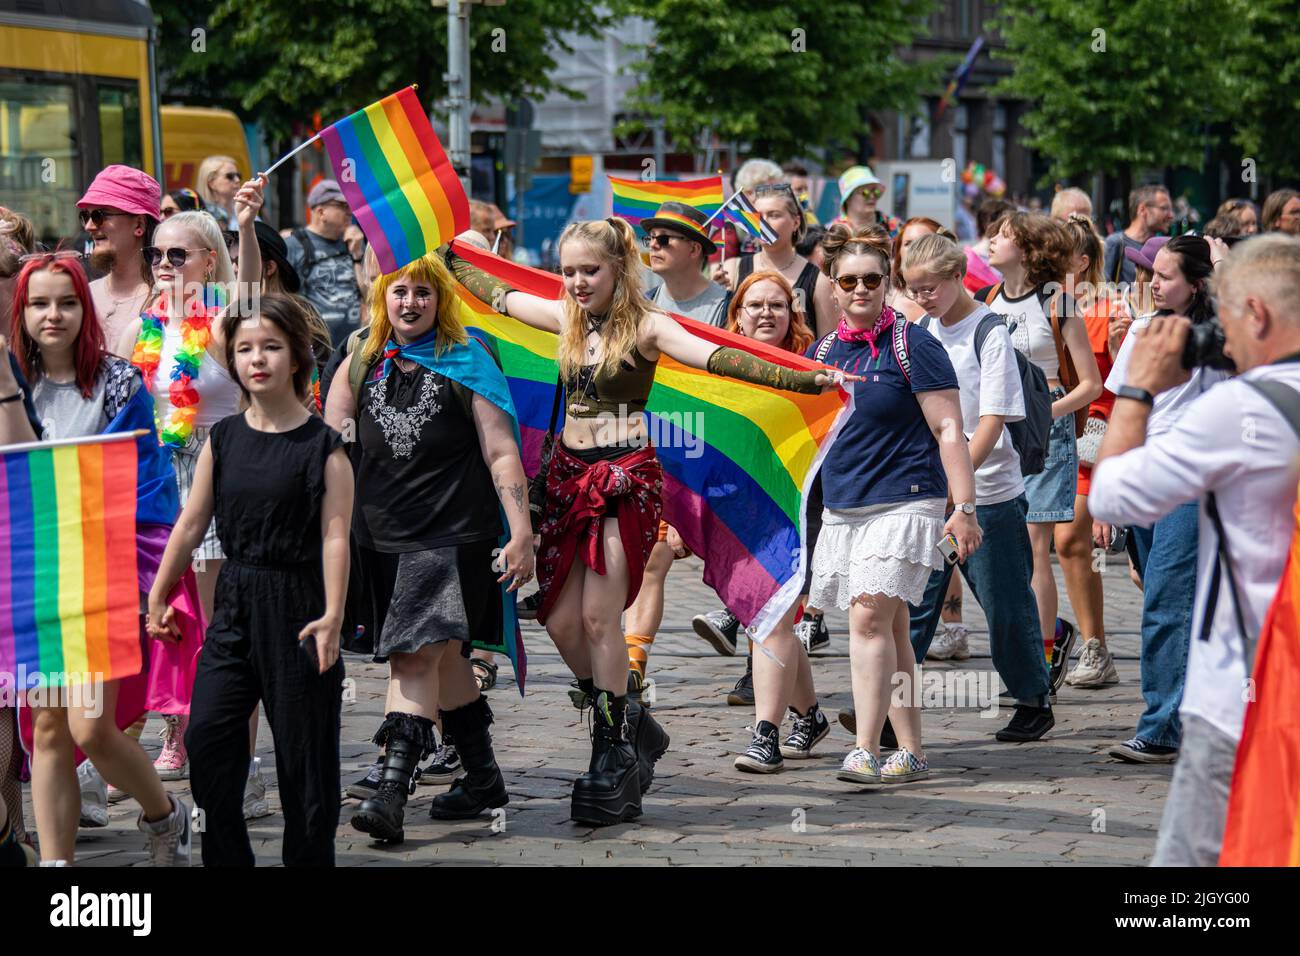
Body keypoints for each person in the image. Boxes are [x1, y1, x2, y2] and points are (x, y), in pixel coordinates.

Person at [445, 216, 852, 824]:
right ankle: (634, 720)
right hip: (564, 482)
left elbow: (718, 359)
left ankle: (610, 752)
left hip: (622, 480)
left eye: (591, 270)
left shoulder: (649, 327)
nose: (578, 282)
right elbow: (497, 294)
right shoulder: (567, 318)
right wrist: (447, 257)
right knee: (558, 621)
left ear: (618, 270)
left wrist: (806, 377)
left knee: (597, 616)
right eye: (569, 271)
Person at [1089, 234, 1300, 864]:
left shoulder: (1243, 408)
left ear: (1256, 314)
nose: (1221, 338)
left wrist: (1138, 390)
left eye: (1228, 320)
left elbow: (1113, 497)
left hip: (1243, 688)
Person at [324, 252, 532, 844]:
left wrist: (520, 531)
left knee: (413, 657)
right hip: (378, 538)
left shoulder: (469, 359)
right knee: (442, 661)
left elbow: (501, 452)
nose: (410, 303)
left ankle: (392, 790)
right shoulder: (360, 357)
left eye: (422, 293)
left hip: (452, 536)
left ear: (441, 300)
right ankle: (484, 778)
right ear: (382, 297)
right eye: (400, 292)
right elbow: (332, 445)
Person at [147, 294, 352, 866]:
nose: (256, 358)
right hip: (235, 602)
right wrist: (159, 592)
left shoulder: (325, 448)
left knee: (304, 760)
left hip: (301, 608)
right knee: (207, 738)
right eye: (243, 349)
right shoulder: (225, 438)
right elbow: (191, 523)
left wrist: (333, 614)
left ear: (295, 357)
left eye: (270, 347)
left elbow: (336, 537)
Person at [5, 252, 192, 865]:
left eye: (65, 301)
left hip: (101, 570)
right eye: (39, 303)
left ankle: (165, 819)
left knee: (91, 727)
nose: (52, 315)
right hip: (33, 576)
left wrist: (148, 585)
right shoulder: (11, 382)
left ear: (83, 309)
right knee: (50, 731)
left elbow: (150, 491)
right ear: (21, 311)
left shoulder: (118, 382)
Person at [803, 225, 979, 786]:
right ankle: (912, 750)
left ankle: (863, 748)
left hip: (906, 500)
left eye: (872, 279)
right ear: (832, 286)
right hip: (844, 504)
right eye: (849, 280)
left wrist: (965, 507)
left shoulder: (912, 344)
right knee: (896, 629)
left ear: (888, 282)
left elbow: (950, 426)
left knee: (867, 618)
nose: (860, 289)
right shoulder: (823, 352)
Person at [116, 178, 267, 792]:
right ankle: (173, 730)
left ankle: (241, 768)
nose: (164, 265)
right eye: (157, 254)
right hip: (156, 482)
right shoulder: (141, 331)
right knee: (163, 617)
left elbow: (252, 294)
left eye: (178, 255)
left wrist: (248, 225)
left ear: (209, 261)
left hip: (220, 475)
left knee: (222, 626)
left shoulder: (228, 322)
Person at [901, 233, 1057, 741]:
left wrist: (958, 480)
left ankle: (1033, 697)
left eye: (930, 288)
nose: (922, 298)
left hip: (990, 494)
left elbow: (992, 421)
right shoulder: (922, 328)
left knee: (1006, 603)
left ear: (955, 278)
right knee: (914, 604)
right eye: (913, 289)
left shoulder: (989, 332)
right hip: (931, 495)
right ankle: (887, 706)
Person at [1099, 234, 1232, 763]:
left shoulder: (1221, 338)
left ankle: (1161, 727)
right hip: (1146, 475)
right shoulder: (1141, 330)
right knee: (1168, 596)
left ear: (1196, 284)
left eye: (1166, 275)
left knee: (1166, 602)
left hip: (1191, 482)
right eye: (1152, 273)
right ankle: (1189, 713)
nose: (1153, 282)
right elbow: (1120, 406)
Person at [985, 213, 1102, 682]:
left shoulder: (1057, 302)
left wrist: (1044, 415)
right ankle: (1044, 634)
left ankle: (1042, 658)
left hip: (1044, 425)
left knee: (1034, 546)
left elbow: (1090, 385)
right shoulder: (988, 299)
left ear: (1029, 249)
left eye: (1003, 235)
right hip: (999, 424)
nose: (991, 241)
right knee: (1003, 545)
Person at [1056, 215, 1122, 688]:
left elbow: (1123, 387)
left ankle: (1093, 645)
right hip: (1051, 436)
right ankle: (1065, 638)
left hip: (1096, 436)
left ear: (1082, 261)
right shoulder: (1042, 305)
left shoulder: (1109, 308)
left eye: (1056, 256)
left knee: (1069, 539)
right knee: (1061, 545)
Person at [719, 183, 838, 337]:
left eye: (774, 215)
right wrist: (717, 292)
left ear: (796, 222)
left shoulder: (817, 280)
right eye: (758, 216)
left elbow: (826, 346)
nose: (764, 222)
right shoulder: (733, 269)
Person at [77, 165, 160, 354]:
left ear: (139, 224)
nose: (89, 226)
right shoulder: (82, 295)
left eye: (99, 215)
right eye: (86, 216)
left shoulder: (169, 300)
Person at [285, 180, 364, 347]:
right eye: (342, 206)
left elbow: (369, 293)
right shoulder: (294, 245)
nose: (350, 212)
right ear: (321, 212)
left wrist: (357, 255)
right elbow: (282, 297)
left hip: (354, 346)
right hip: (315, 349)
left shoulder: (353, 242)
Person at [641, 201, 729, 326]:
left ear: (694, 249)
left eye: (663, 239)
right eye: (651, 237)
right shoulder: (644, 304)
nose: (652, 245)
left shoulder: (728, 307)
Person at [1103, 185, 1173, 286]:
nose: (1171, 215)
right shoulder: (1114, 243)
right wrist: (1135, 297)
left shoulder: (1163, 247)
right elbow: (1100, 291)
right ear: (1143, 210)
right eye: (1164, 208)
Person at [890, 217, 954, 322]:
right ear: (899, 252)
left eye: (923, 242)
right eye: (908, 243)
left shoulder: (960, 299)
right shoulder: (884, 299)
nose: (914, 249)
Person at [832, 165, 901, 238]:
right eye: (865, 192)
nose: (872, 196)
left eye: (876, 192)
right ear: (848, 198)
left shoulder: (894, 225)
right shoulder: (834, 231)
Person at [194, 155, 242, 229]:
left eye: (238, 175)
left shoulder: (244, 209)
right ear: (212, 183)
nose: (237, 180)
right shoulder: (203, 217)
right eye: (230, 176)